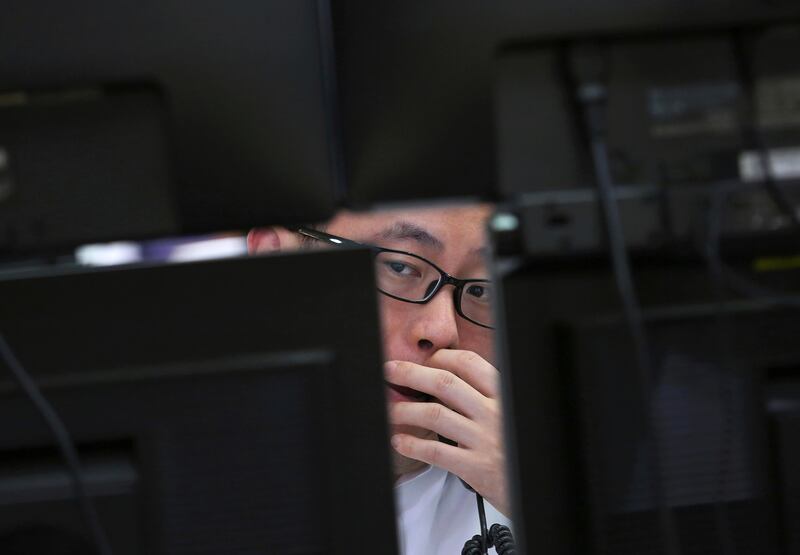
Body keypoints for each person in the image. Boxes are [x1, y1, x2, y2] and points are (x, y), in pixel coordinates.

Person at [247, 204, 510, 554]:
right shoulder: (173, 488)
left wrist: (541, 508)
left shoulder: (536, 491)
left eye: (481, 291)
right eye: (399, 266)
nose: (443, 331)